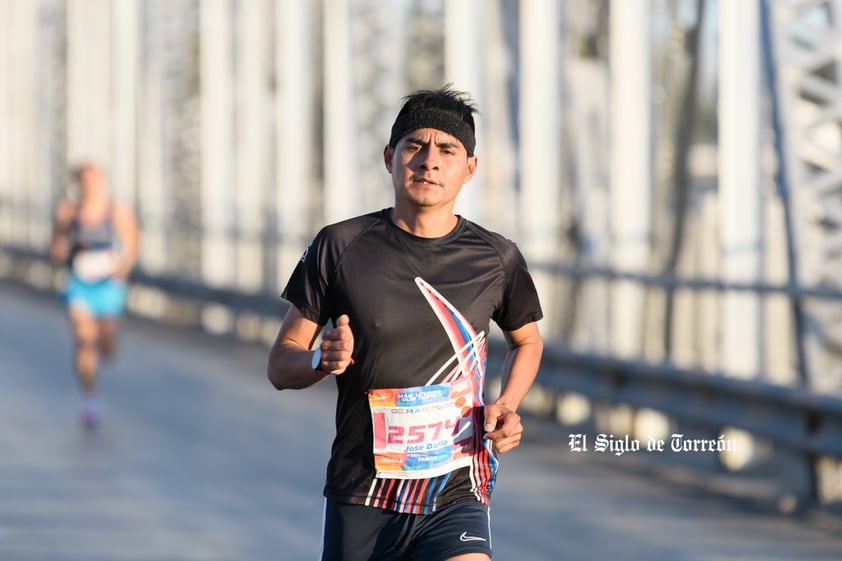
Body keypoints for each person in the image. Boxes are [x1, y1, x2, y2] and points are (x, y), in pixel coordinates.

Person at [267, 86, 544, 561]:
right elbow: (279, 363)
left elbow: (527, 341)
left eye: (448, 150)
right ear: (389, 157)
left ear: (469, 168)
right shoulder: (341, 246)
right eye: (415, 146)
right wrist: (320, 358)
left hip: (457, 487)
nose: (429, 161)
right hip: (363, 493)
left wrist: (506, 404)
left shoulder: (496, 257)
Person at [50, 162, 140, 429]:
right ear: (78, 183)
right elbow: (55, 247)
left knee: (107, 349)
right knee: (83, 337)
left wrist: (121, 268)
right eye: (84, 180)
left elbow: (132, 245)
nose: (90, 185)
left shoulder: (117, 211)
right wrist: (61, 249)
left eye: (94, 179)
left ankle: (104, 348)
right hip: (79, 284)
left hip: (108, 285)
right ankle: (91, 398)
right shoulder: (69, 212)